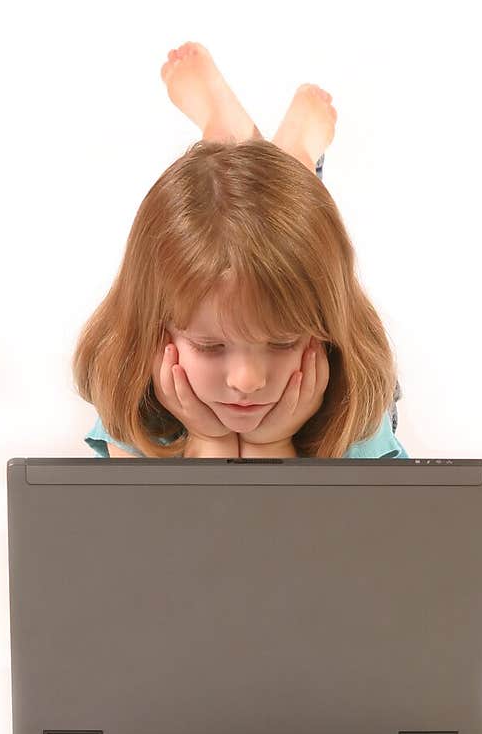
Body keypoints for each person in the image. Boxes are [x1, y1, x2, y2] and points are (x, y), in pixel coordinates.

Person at [73, 42, 406, 459]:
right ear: (156, 326)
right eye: (211, 347)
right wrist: (209, 442)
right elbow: (172, 525)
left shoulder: (356, 405)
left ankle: (273, 150)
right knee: (230, 226)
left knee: (295, 242)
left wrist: (273, 445)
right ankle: (277, 154)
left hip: (335, 387)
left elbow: (323, 525)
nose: (247, 381)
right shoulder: (130, 386)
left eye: (283, 342)